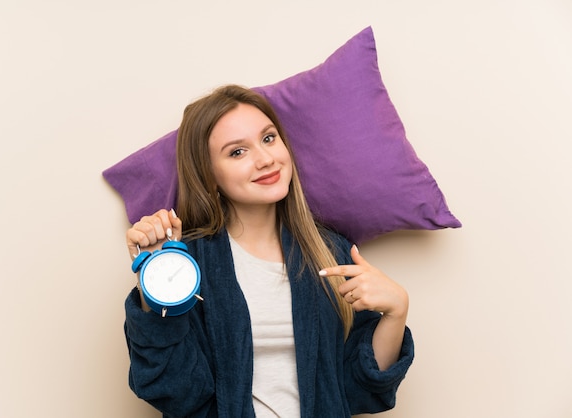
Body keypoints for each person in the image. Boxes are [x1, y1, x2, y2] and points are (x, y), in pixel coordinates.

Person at [123, 85, 414, 417]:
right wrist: (159, 277)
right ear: (209, 175)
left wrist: (396, 313)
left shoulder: (329, 252)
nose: (265, 159)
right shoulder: (190, 262)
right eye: (237, 152)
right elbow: (174, 392)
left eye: (269, 138)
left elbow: (358, 391)